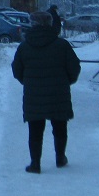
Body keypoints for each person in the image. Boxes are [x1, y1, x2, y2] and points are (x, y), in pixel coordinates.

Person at [11, 10, 81, 174]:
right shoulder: (62, 45)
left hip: (33, 95)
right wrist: (66, 82)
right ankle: (60, 158)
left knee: (35, 130)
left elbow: (16, 70)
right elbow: (74, 68)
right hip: (59, 93)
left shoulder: (25, 46)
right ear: (50, 24)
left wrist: (28, 82)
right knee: (60, 127)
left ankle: (35, 164)